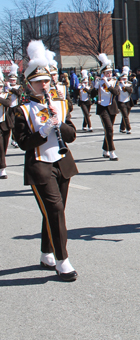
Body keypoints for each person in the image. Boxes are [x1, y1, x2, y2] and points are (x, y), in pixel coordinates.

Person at [14, 40, 79, 281]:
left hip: (62, 163)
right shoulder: (21, 111)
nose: (44, 85)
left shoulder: (59, 105)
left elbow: (71, 135)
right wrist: (42, 131)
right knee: (55, 209)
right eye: (38, 82)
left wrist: (58, 121)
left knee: (53, 211)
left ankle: (46, 252)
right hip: (40, 166)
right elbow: (22, 142)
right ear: (29, 85)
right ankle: (63, 260)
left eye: (46, 81)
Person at [95, 53, 120, 160]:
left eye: (110, 72)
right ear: (102, 73)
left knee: (108, 130)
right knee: (109, 129)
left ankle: (105, 149)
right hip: (102, 108)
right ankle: (112, 151)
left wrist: (107, 84)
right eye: (106, 73)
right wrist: (95, 86)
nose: (109, 74)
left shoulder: (115, 82)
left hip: (112, 108)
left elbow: (116, 92)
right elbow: (91, 94)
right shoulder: (99, 82)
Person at [0, 70, 13, 179]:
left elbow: (8, 103)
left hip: (4, 124)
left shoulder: (6, 95)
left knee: (4, 146)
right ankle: (2, 168)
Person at [117, 66, 134, 134]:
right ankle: (128, 128)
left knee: (126, 115)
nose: (124, 79)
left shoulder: (129, 84)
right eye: (123, 78)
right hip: (121, 101)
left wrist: (124, 85)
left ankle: (122, 128)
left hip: (128, 101)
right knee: (125, 116)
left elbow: (130, 90)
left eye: (125, 78)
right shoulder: (118, 84)